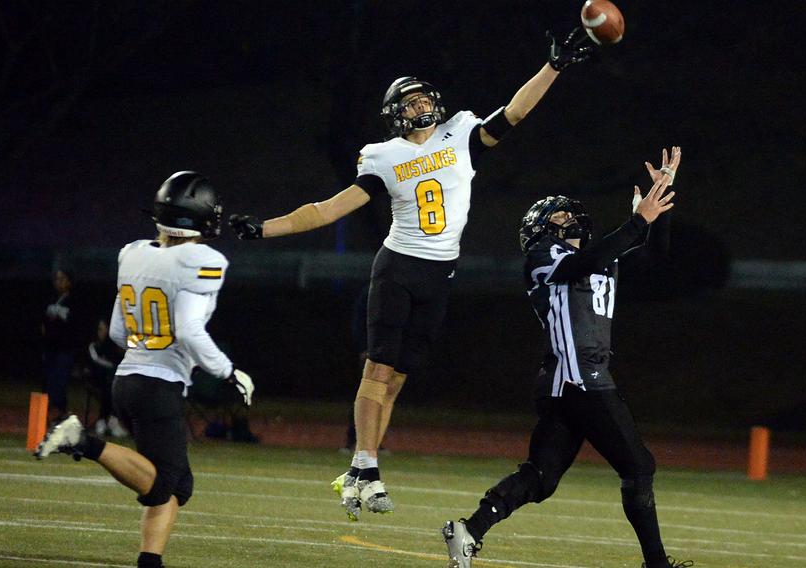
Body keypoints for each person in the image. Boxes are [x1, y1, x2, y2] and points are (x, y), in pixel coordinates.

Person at [229, 27, 597, 521]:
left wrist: (553, 66)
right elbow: (327, 209)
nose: (418, 105)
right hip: (398, 267)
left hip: (441, 272)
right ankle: (365, 463)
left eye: (423, 97)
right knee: (377, 368)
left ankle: (362, 468)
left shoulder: (461, 133)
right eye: (408, 102)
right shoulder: (383, 156)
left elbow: (514, 113)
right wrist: (264, 229)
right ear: (392, 116)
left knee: (398, 377)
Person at [442, 148, 693, 568]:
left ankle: (469, 530)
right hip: (580, 378)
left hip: (567, 382)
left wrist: (659, 200)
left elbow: (653, 257)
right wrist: (637, 221)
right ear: (541, 232)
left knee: (541, 478)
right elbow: (586, 262)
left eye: (565, 216)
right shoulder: (543, 258)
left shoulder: (597, 258)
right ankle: (657, 566)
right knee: (639, 467)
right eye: (556, 219)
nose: (566, 222)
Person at [34, 171, 255, 568]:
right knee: (165, 482)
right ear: (202, 216)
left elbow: (119, 331)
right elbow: (188, 330)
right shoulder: (202, 259)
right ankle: (82, 440)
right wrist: (228, 372)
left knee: (174, 484)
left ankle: (150, 561)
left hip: (127, 379)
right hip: (158, 385)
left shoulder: (134, 252)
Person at [41, 268, 83, 421]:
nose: (58, 282)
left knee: (60, 382)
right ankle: (47, 414)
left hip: (65, 349)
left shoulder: (74, 301)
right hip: (50, 348)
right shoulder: (50, 299)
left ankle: (60, 413)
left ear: (69, 282)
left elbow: (77, 326)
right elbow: (43, 322)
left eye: (62, 279)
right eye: (56, 279)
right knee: (48, 381)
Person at [85, 318, 129, 438]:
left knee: (115, 386)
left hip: (109, 380)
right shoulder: (93, 345)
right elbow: (96, 361)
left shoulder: (111, 346)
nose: (102, 332)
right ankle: (108, 421)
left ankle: (107, 421)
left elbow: (118, 361)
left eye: (104, 329)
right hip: (95, 379)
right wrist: (112, 367)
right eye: (100, 329)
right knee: (110, 385)